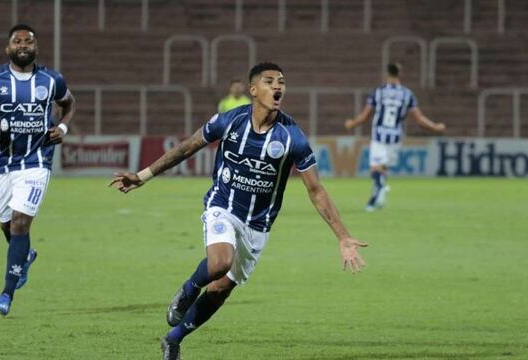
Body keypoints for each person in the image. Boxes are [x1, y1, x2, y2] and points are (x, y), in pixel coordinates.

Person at [110, 62, 367, 360]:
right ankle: (188, 289)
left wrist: (343, 237)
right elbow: (186, 148)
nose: (278, 87)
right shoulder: (230, 121)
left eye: (281, 82)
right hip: (223, 207)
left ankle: (173, 339)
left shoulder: (292, 136)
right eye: (269, 81)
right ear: (253, 90)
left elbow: (316, 190)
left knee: (221, 289)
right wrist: (143, 176)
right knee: (219, 263)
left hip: (258, 227)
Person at [0, 24, 76, 316]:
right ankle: (26, 254)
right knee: (6, 225)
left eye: (28, 41)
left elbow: (69, 103)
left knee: (20, 223)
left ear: (36, 48)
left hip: (37, 161)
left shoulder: (51, 79)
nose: (23, 45)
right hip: (4, 164)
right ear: (8, 48)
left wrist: (62, 126)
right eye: (17, 41)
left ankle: (6, 295)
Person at [345, 63, 445, 211]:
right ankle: (380, 195)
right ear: (400, 73)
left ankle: (377, 194)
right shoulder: (407, 94)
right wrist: (435, 127)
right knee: (383, 167)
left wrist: (352, 123)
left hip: (379, 135)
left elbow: (365, 116)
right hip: (396, 137)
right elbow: (419, 119)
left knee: (375, 168)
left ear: (386, 74)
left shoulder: (378, 92)